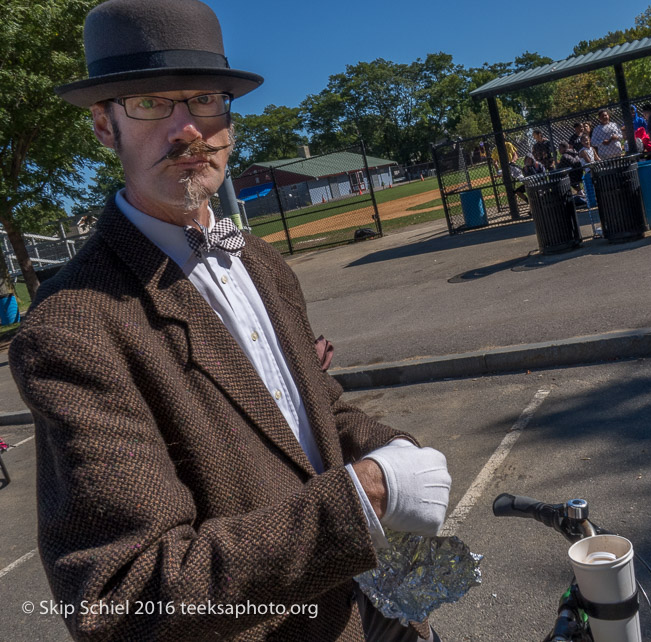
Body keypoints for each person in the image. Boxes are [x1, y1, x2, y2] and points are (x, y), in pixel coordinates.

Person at [9, 1, 450, 641]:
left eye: (206, 99)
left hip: (382, 606)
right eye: (152, 104)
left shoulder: (261, 260)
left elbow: (312, 408)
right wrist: (366, 499)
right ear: (104, 127)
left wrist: (394, 449)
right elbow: (125, 598)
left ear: (229, 122)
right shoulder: (72, 328)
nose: (188, 129)